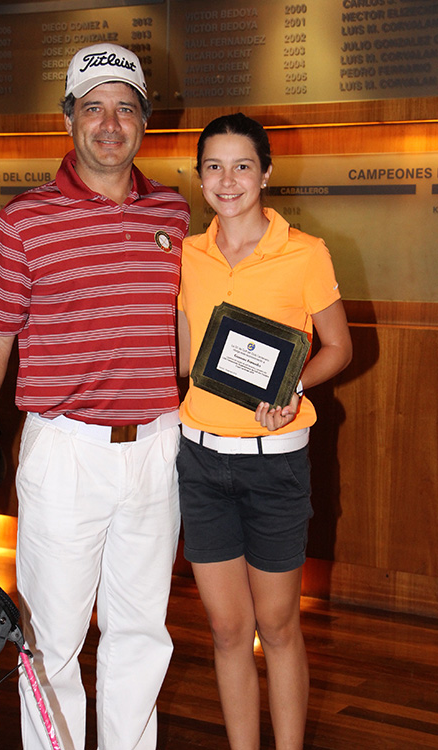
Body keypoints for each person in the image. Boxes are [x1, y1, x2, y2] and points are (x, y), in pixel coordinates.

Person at [0, 43, 190, 750]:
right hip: (64, 450)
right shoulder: (25, 220)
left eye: (125, 109)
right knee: (50, 641)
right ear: (68, 119)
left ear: (144, 122)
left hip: (156, 447)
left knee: (141, 634)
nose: (110, 124)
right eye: (94, 108)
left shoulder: (175, 214)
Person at [176, 113, 352, 750]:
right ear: (200, 177)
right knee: (227, 630)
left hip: (273, 461)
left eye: (242, 166)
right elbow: (185, 362)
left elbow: (339, 347)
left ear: (266, 173)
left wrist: (291, 388)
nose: (228, 181)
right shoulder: (187, 254)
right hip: (199, 463)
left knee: (276, 627)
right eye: (214, 167)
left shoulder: (305, 252)